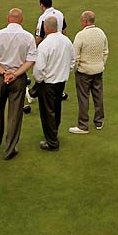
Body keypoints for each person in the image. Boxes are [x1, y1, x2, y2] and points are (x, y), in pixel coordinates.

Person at [0, 8, 37, 160]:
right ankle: (10, 149)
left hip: (1, 77)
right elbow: (31, 60)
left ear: (8, 18)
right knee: (15, 114)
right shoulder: (27, 37)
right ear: (21, 19)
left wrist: (3, 72)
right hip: (18, 78)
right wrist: (14, 74)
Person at [33, 16, 76, 151]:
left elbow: (39, 68)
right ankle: (54, 132)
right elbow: (73, 60)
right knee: (56, 108)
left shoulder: (44, 44)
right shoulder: (67, 41)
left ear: (45, 28)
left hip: (48, 82)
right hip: (61, 81)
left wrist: (39, 80)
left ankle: (52, 142)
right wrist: (65, 71)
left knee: (48, 112)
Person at [69, 10, 108, 135]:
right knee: (98, 95)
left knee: (83, 97)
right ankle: (99, 121)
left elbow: (75, 56)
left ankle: (83, 125)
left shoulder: (80, 35)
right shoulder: (101, 33)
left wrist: (75, 68)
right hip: (98, 70)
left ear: (85, 21)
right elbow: (105, 51)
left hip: (84, 72)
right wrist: (101, 64)